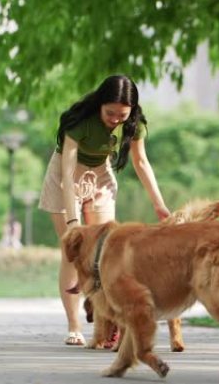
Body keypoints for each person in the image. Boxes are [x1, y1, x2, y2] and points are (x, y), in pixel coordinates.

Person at [38, 74, 170, 346]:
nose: (115, 120)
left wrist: (160, 205)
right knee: (73, 254)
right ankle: (75, 326)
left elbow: (141, 163)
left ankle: (110, 323)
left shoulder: (133, 124)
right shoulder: (79, 122)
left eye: (122, 115)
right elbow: (67, 170)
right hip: (66, 177)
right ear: (99, 104)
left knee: (108, 254)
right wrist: (74, 221)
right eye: (110, 113)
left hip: (100, 176)